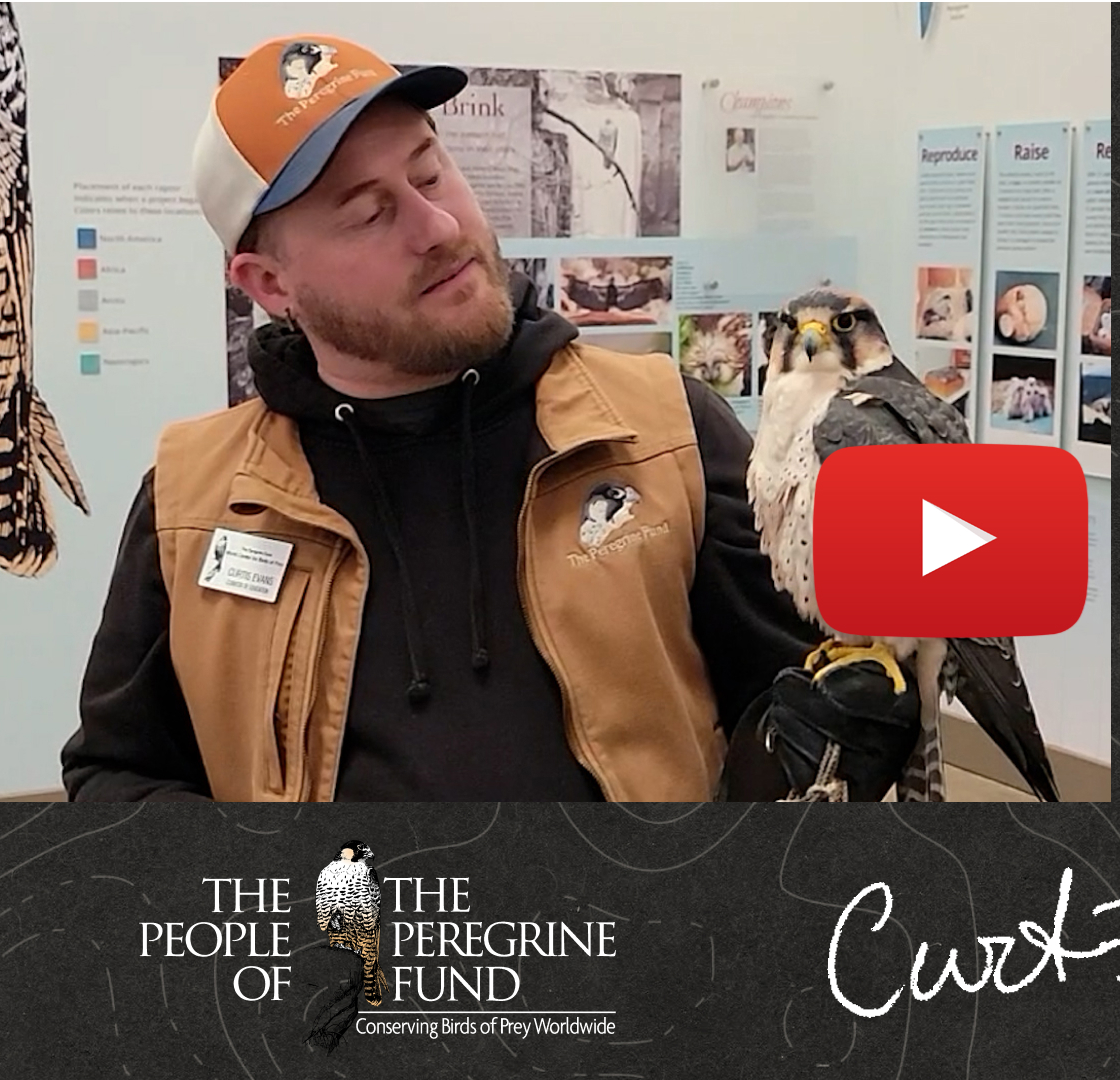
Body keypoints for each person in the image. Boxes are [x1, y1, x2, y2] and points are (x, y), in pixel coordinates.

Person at [59, 34, 821, 802]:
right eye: (368, 214)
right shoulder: (195, 502)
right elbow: (119, 774)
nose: (438, 227)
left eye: (430, 170)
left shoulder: (664, 431)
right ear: (268, 284)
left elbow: (789, 698)